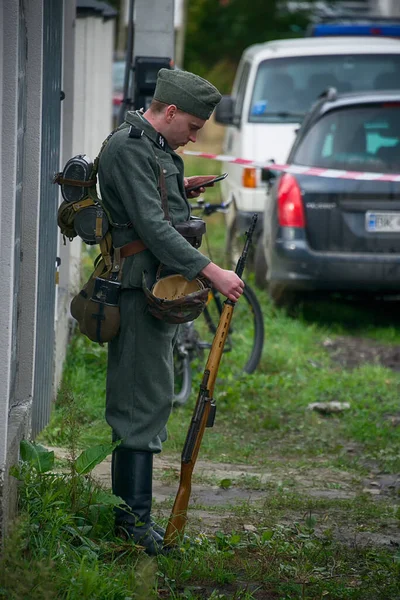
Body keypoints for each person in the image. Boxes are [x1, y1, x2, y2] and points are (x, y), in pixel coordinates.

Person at [98, 68, 244, 555]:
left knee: (153, 395)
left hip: (155, 287)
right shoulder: (128, 146)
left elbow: (149, 205)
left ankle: (135, 520)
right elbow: (153, 228)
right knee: (139, 402)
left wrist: (181, 190)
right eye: (194, 127)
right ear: (171, 112)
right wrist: (212, 272)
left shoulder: (151, 148)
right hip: (139, 290)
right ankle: (131, 525)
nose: (196, 136)